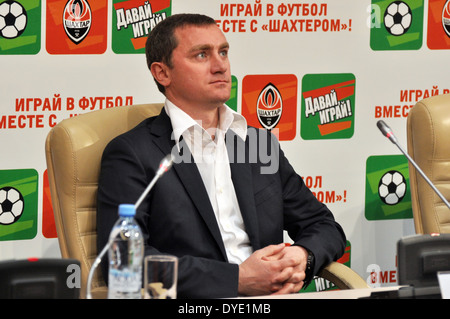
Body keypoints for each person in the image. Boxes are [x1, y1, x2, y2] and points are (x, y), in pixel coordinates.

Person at [97, 13, 346, 298]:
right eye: (201, 55)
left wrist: (303, 257)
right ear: (162, 72)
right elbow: (125, 260)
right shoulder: (132, 153)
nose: (220, 66)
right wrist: (236, 280)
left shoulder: (255, 143)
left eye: (223, 52)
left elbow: (323, 225)